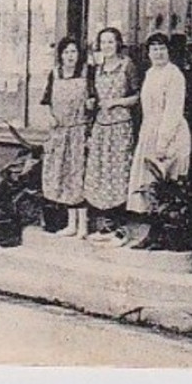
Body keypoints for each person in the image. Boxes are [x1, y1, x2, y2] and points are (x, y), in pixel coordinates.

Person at [125, 32, 192, 250]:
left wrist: (163, 142)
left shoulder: (174, 75)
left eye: (162, 48)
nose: (158, 53)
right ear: (148, 53)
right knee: (150, 186)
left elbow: (173, 111)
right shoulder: (151, 73)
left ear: (168, 51)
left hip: (170, 134)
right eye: (154, 49)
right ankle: (152, 234)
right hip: (150, 131)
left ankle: (166, 236)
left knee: (167, 186)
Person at [82, 27, 139, 247]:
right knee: (101, 173)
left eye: (111, 42)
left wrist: (116, 102)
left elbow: (136, 96)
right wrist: (92, 104)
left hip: (120, 127)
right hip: (101, 126)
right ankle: (106, 226)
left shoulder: (127, 66)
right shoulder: (97, 68)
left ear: (118, 44)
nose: (107, 46)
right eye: (103, 42)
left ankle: (121, 229)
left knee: (119, 174)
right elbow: (94, 97)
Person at [39, 35, 95, 238]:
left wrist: (91, 105)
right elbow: (45, 101)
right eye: (67, 52)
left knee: (78, 177)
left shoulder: (87, 73)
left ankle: (83, 226)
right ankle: (71, 224)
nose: (70, 56)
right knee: (64, 177)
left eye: (74, 52)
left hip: (79, 131)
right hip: (60, 133)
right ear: (61, 55)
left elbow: (94, 100)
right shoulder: (55, 74)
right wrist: (51, 117)